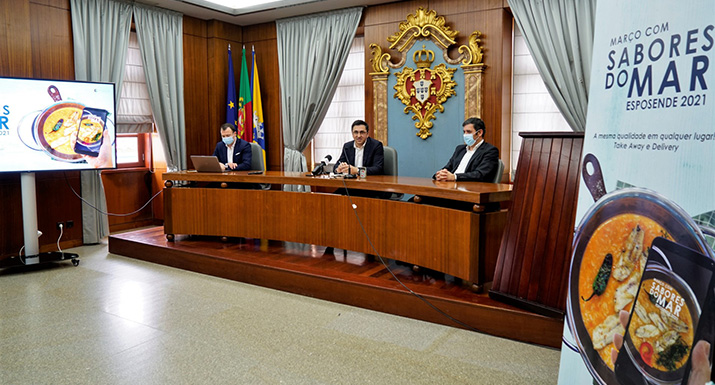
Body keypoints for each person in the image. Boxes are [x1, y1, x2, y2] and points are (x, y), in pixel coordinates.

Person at [434, 117, 499, 182]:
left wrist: (455, 177)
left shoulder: (490, 151)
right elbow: (448, 167)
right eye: (464, 132)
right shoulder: (460, 149)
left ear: (479, 133)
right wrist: (440, 174)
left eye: (469, 132)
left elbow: (481, 174)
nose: (465, 135)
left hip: (470, 188)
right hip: (451, 186)